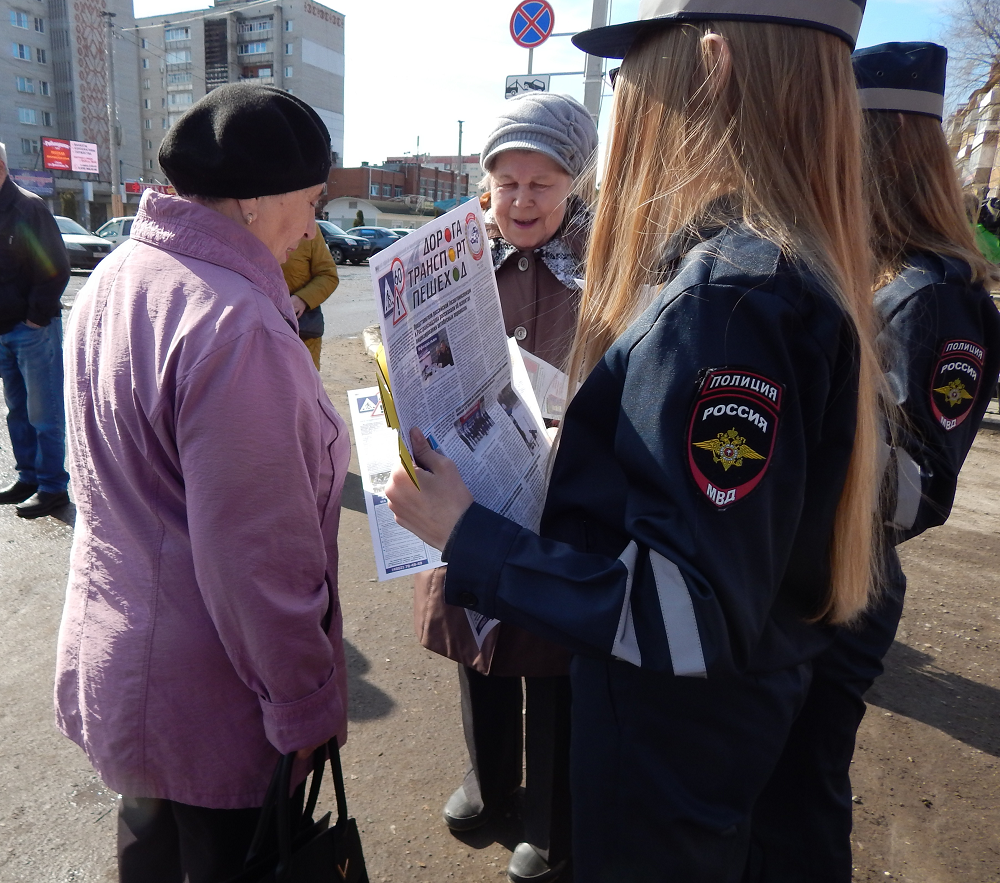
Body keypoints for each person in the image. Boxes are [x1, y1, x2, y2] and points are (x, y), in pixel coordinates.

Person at [387, 2, 883, 880]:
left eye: (632, 73)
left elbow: (686, 612)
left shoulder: (724, 302)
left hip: (666, 753)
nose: (623, 101)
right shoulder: (770, 271)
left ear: (713, 72)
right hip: (722, 731)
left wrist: (472, 536)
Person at [55, 84, 350, 883]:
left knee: (148, 855)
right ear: (256, 200)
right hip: (213, 699)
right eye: (311, 201)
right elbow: (256, 557)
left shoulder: (118, 274)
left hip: (123, 667)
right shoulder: (238, 324)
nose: (312, 226)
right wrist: (305, 703)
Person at [745, 42, 1000, 883]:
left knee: (801, 805)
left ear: (876, 156)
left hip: (845, 592)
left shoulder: (932, 298)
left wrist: (792, 443)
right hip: (822, 578)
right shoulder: (885, 273)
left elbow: (916, 491)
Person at [417, 93, 597, 883]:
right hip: (471, 483)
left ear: (575, 183)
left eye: (541, 184)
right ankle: (489, 780)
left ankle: (551, 822)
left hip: (563, 491)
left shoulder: (605, 258)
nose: (521, 201)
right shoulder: (456, 252)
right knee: (479, 645)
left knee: (552, 659)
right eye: (506, 183)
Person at [0, 140, 72, 518]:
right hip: (3, 331)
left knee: (44, 414)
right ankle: (27, 477)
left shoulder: (28, 208)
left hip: (32, 331)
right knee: (17, 411)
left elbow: (55, 269)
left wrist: (35, 318)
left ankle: (52, 487)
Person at [281, 224, 339, 370]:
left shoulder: (308, 228)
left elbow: (328, 275)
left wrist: (302, 299)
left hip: (301, 334)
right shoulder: (249, 225)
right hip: (257, 334)